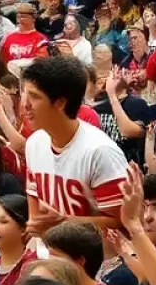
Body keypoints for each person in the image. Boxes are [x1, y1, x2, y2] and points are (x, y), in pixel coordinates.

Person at [21, 56, 128, 235]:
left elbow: (123, 223)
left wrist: (64, 224)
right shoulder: (34, 143)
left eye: (34, 96)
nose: (25, 104)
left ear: (60, 103)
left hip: (95, 252)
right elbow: (36, 217)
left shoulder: (101, 152)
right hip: (50, 248)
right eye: (24, 94)